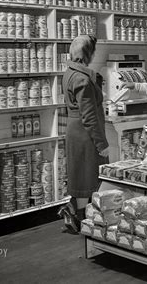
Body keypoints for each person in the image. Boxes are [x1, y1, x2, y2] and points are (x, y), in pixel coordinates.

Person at [58, 35, 110, 234]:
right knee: (86, 177)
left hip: (75, 130)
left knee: (79, 174)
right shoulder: (82, 79)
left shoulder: (70, 72)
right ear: (88, 53)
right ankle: (81, 220)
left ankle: (75, 215)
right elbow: (89, 117)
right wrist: (101, 144)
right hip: (84, 134)